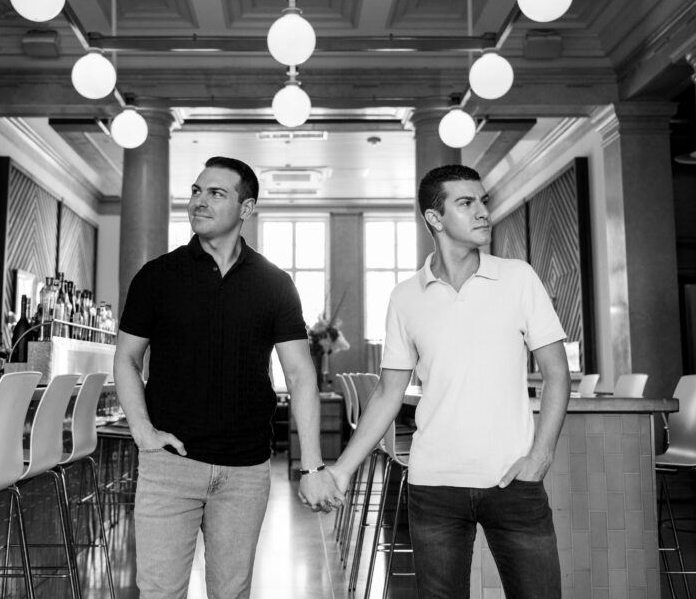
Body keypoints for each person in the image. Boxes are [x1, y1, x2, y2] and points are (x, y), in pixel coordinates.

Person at [327, 164, 570, 599]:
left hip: (514, 481)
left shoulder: (518, 278)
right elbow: (387, 393)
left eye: (483, 202)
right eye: (466, 203)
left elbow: (557, 373)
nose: (483, 212)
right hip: (434, 485)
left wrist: (540, 456)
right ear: (434, 219)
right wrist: (343, 469)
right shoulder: (405, 296)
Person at [113, 156, 343, 599]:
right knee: (159, 593)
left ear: (246, 208)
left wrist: (312, 465)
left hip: (245, 471)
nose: (199, 200)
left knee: (231, 593)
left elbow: (299, 375)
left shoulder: (275, 284)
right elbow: (126, 359)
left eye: (215, 193)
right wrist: (142, 430)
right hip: (169, 466)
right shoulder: (157, 276)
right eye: (196, 191)